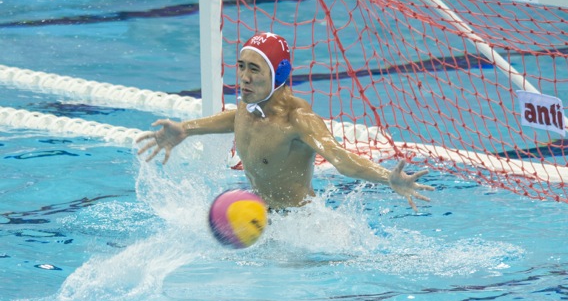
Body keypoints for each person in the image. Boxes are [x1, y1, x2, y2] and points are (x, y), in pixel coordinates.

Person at [136, 32, 434, 211]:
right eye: (241, 67)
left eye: (254, 69)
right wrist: (186, 129)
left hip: (299, 224)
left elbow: (341, 160)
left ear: (278, 74)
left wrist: (387, 178)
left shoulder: (298, 119)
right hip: (259, 212)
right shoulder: (250, 104)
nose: (244, 77)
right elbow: (236, 118)